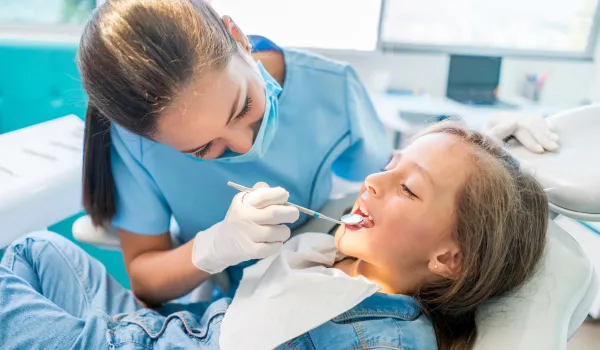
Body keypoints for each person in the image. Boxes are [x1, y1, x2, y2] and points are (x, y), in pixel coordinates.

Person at [78, 0, 556, 306]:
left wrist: (491, 152)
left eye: (244, 107)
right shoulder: (133, 142)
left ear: (237, 37)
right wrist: (212, 249)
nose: (244, 146)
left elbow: (410, 187)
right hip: (220, 301)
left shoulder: (333, 90)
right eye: (205, 148)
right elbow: (145, 278)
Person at [0, 122, 548, 350]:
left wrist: (493, 186)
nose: (373, 181)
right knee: (35, 248)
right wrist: (482, 147)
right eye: (389, 163)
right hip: (164, 328)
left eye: (406, 187)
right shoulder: (337, 254)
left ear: (450, 259)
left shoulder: (382, 339)